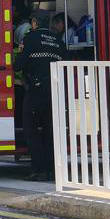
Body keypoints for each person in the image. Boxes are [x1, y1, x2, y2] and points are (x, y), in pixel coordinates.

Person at [15, 12, 66, 181]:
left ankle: (38, 169)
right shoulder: (58, 40)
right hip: (55, 90)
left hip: (36, 90)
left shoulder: (30, 38)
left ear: (34, 22)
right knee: (50, 131)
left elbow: (18, 65)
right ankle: (52, 170)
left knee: (31, 130)